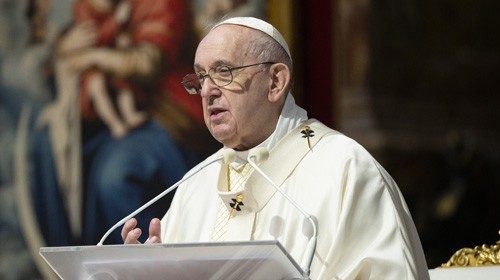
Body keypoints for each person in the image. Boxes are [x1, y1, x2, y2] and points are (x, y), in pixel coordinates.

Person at [121, 17, 430, 279]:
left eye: (223, 72)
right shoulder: (196, 184)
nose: (207, 91)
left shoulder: (345, 169)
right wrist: (150, 272)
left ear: (275, 82)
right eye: (201, 78)